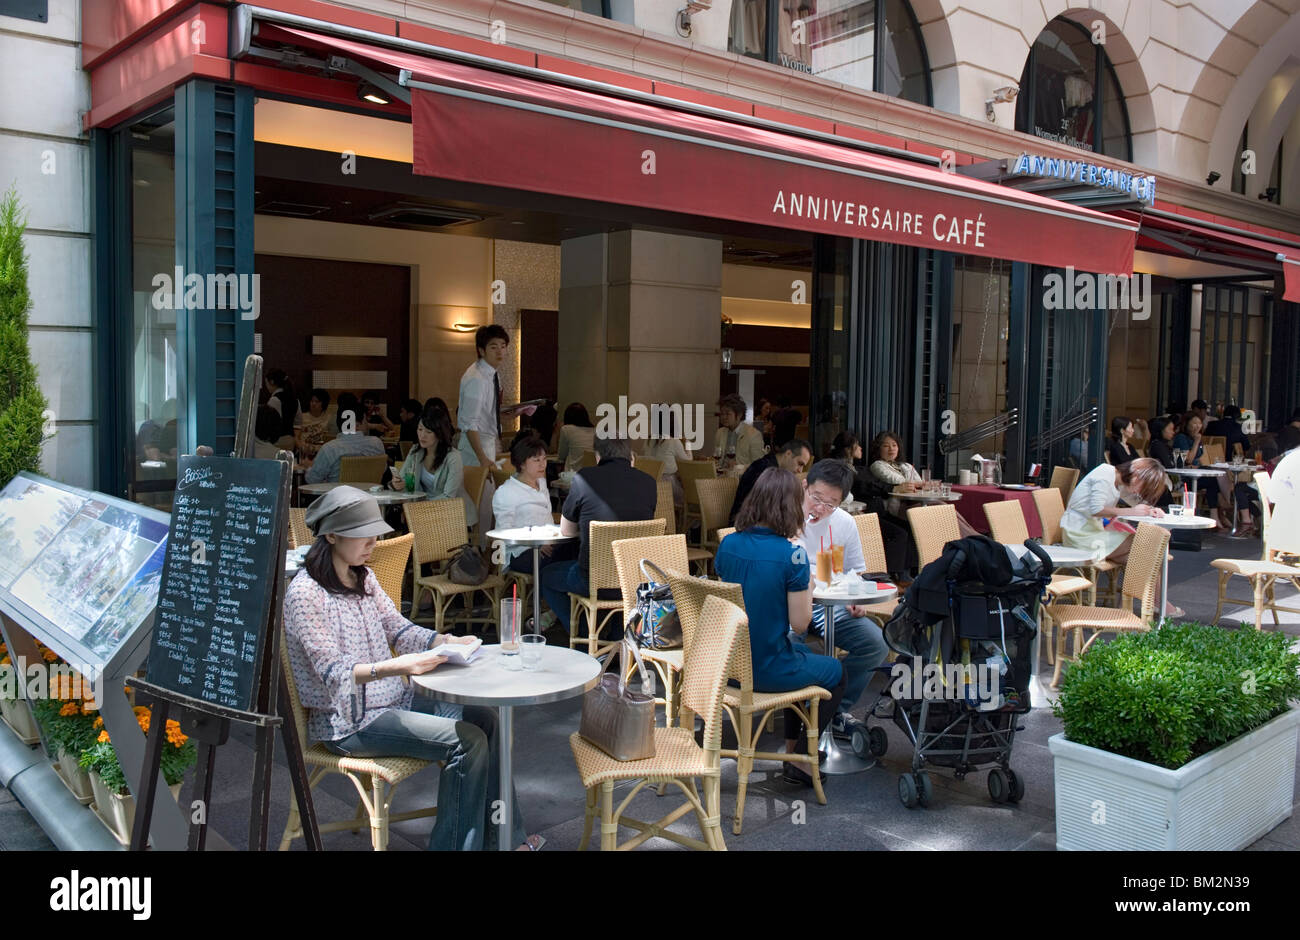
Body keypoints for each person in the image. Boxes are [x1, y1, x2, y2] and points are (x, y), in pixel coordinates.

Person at [283, 486, 540, 851]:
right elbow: (334, 672)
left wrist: (443, 642)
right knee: (466, 743)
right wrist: (397, 666)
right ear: (332, 535)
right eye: (363, 534)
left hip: (395, 702)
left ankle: (507, 840)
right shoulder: (305, 594)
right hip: (348, 722)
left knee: (486, 720)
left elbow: (399, 628)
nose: (373, 541)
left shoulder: (363, 577)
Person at [714, 467, 845, 789]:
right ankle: (801, 758)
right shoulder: (793, 557)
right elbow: (800, 624)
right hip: (766, 669)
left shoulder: (728, 543)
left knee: (800, 654)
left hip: (726, 666)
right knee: (835, 671)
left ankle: (792, 752)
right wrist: (809, 582)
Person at [793, 460, 891, 734]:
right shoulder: (784, 515)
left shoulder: (845, 523)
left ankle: (835, 709)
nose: (821, 509)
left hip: (832, 605)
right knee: (792, 647)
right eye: (816, 498)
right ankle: (798, 718)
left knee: (876, 645)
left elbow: (855, 571)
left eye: (831, 504)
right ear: (805, 486)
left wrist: (856, 597)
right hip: (791, 604)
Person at [539, 437, 656, 637]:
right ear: (631, 457)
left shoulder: (584, 478)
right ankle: (618, 639)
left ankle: (582, 632)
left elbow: (566, 531)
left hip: (590, 579)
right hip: (632, 580)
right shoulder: (649, 482)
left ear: (597, 456)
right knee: (613, 584)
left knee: (546, 575)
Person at [1061, 458, 1182, 616]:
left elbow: (1135, 503)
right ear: (1136, 474)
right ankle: (1150, 602)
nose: (1138, 492)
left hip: (1092, 532)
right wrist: (1131, 512)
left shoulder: (1118, 481)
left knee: (1148, 553)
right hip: (1080, 534)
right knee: (1150, 547)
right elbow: (1096, 509)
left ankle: (1132, 603)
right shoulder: (1105, 474)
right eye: (1142, 487)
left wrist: (1151, 510)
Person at [492, 433, 577, 584]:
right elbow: (503, 533)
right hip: (520, 552)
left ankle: (569, 599)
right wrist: (535, 542)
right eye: (536, 460)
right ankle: (553, 597)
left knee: (580, 546)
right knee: (554, 561)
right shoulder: (506, 492)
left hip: (547, 544)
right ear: (522, 463)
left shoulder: (542, 483)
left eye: (544, 459)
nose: (542, 464)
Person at [457, 325, 533, 470]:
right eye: (493, 347)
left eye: (503, 346)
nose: (500, 351)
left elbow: (488, 414)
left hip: (487, 443)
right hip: (475, 447)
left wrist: (515, 414)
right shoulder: (476, 378)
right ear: (481, 350)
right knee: (478, 491)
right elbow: (470, 424)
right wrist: (482, 458)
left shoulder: (492, 374)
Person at [392, 399, 466, 512]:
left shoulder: (453, 457)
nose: (422, 435)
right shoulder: (416, 452)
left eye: (428, 432)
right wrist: (399, 484)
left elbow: (449, 497)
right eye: (420, 429)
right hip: (423, 512)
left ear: (439, 434)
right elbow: (405, 482)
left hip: (451, 514)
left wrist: (420, 506)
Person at [304, 392, 386, 484]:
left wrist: (310, 467)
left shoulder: (329, 449)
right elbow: (383, 469)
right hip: (370, 496)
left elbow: (312, 480)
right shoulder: (377, 444)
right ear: (360, 422)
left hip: (338, 497)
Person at [729, 438, 812, 522]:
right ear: (788, 454)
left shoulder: (770, 466)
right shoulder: (765, 471)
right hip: (745, 526)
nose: (800, 470)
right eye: (800, 464)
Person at [644, 406, 694, 509]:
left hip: (649, 486)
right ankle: (691, 524)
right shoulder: (673, 441)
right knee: (692, 497)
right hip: (668, 487)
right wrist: (688, 444)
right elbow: (689, 462)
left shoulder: (648, 440)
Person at [714, 393, 767, 467]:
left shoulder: (754, 435)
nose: (724, 417)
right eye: (722, 414)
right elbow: (717, 457)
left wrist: (739, 467)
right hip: (721, 475)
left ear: (739, 415)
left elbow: (759, 465)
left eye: (728, 414)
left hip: (742, 477)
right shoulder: (720, 432)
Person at [556, 403, 597, 472]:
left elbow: (561, 456)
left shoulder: (566, 429)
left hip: (573, 474)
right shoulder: (595, 430)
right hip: (592, 473)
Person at [264, 368, 300, 439]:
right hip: (291, 439)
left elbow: (270, 423)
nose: (266, 386)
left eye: (266, 383)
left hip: (277, 440)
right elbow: (298, 422)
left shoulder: (274, 400)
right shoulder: (295, 399)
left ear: (272, 382)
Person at [298, 388, 333, 459]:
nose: (313, 404)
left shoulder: (329, 418)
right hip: (304, 453)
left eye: (317, 401)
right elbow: (296, 437)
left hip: (323, 454)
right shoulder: (302, 417)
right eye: (312, 401)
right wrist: (302, 447)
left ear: (324, 403)